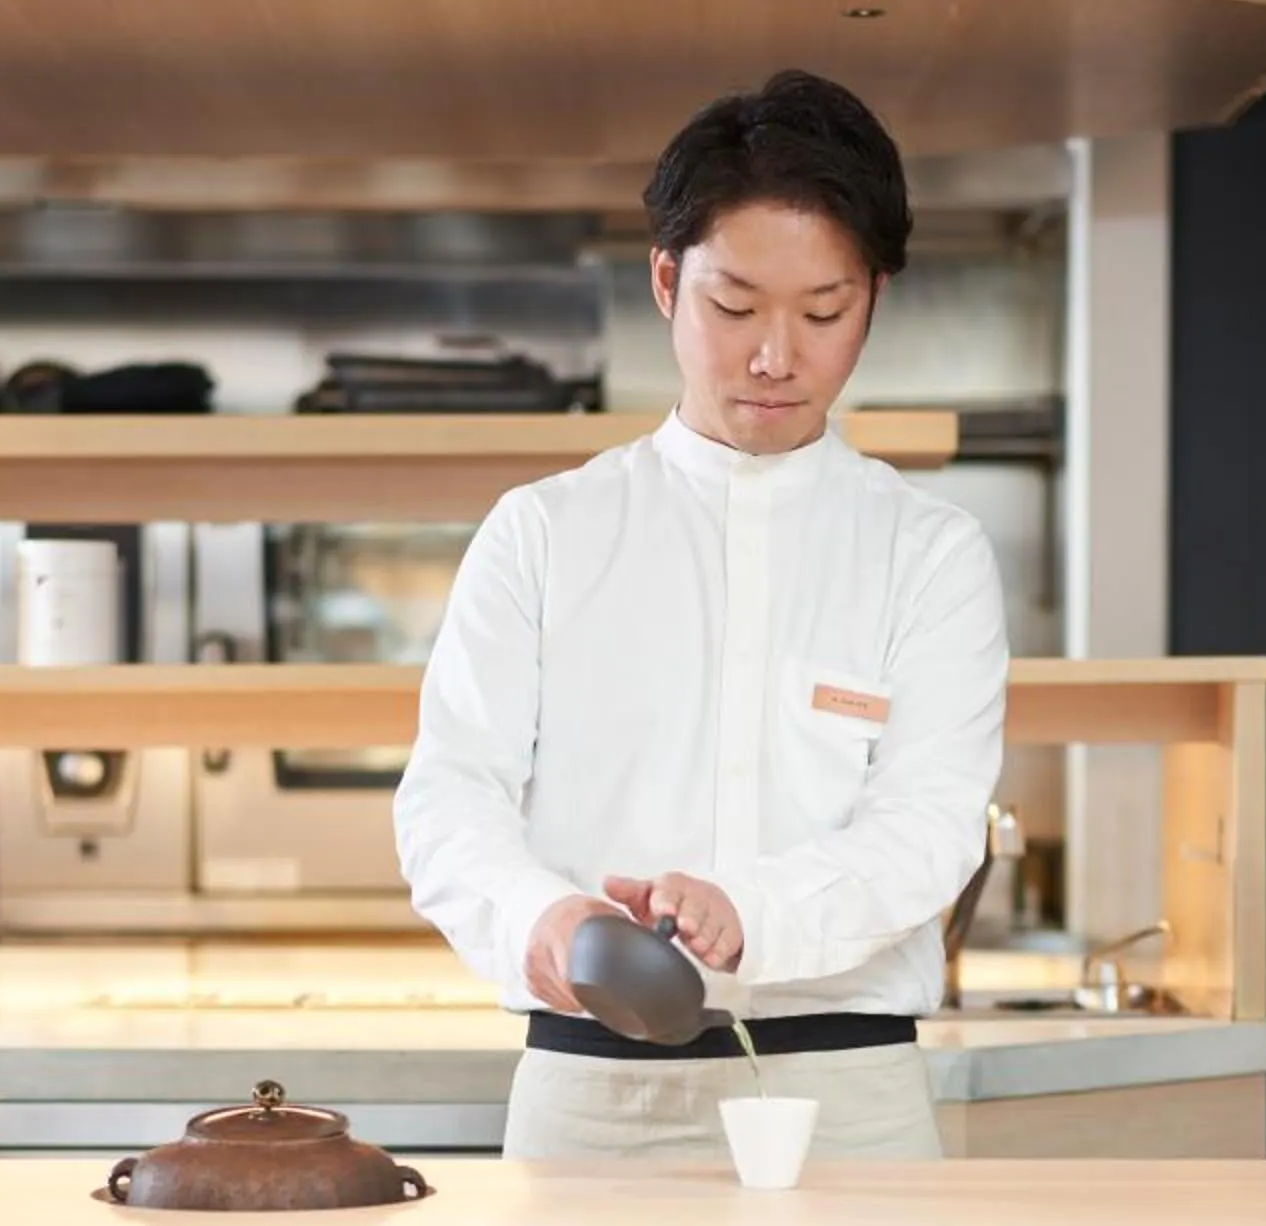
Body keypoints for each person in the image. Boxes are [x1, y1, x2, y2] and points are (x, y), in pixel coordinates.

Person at [393, 69, 1009, 1160]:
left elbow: (929, 829)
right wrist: (543, 917)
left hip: (848, 1093)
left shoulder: (930, 551)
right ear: (668, 282)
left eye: (825, 312)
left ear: (873, 296)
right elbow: (449, 799)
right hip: (591, 1093)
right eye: (735, 308)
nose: (776, 356)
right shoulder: (544, 531)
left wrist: (750, 912)